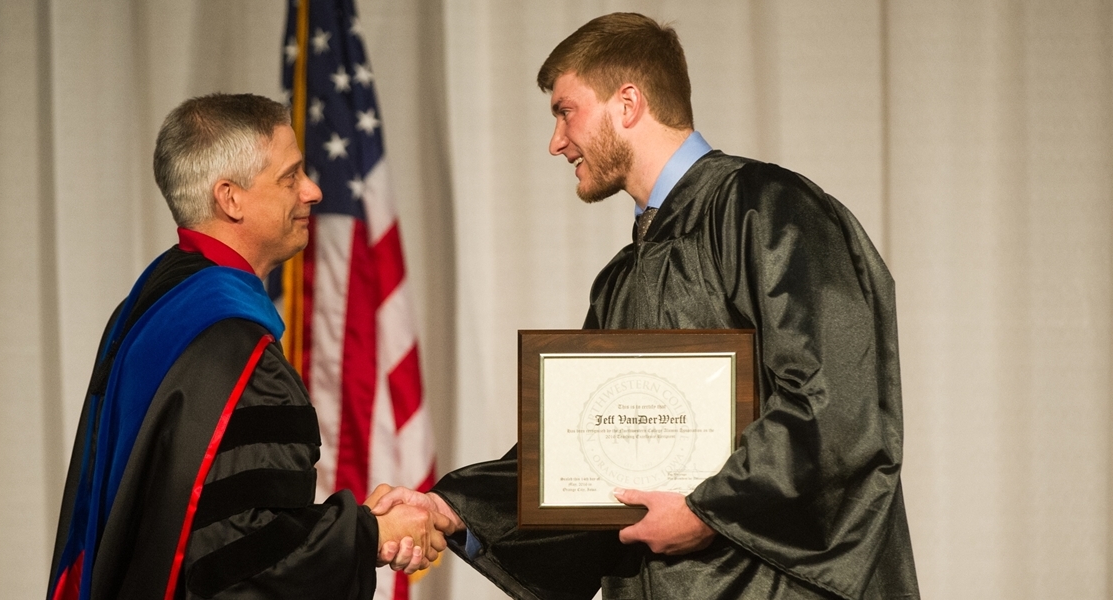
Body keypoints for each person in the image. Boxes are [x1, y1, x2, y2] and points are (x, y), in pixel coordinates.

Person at [371, 12, 920, 600]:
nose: (555, 142)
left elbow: (834, 401)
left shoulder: (771, 213)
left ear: (627, 103)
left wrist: (707, 509)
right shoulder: (621, 277)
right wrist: (452, 507)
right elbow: (580, 450)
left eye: (565, 111)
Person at [47, 93, 451, 600]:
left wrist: (361, 525)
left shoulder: (156, 302)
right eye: (290, 177)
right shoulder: (233, 351)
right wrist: (370, 535)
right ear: (229, 198)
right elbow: (244, 558)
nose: (313, 191)